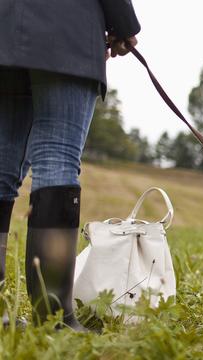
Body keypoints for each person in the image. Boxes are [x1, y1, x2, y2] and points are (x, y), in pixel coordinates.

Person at [0, 0, 141, 331]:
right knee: (57, 157)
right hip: (65, 28)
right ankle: (51, 318)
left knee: (1, 168)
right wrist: (124, 24)